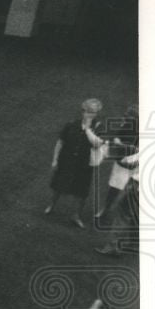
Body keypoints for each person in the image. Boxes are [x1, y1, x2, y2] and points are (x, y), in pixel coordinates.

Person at [46, 98, 107, 228]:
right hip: (67, 161)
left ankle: (76, 215)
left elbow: (97, 143)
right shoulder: (71, 124)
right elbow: (60, 142)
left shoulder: (99, 127)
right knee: (58, 185)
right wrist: (55, 159)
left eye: (93, 112)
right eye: (87, 111)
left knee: (81, 192)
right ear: (82, 111)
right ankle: (51, 205)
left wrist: (88, 129)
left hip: (85, 165)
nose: (89, 115)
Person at [96, 103, 139, 220]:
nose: (124, 118)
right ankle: (106, 209)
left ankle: (128, 213)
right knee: (114, 188)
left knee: (135, 190)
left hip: (138, 164)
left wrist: (130, 149)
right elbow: (116, 137)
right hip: (122, 163)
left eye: (128, 117)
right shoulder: (126, 126)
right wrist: (120, 143)